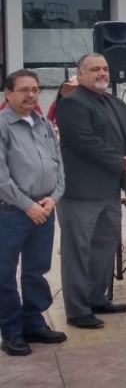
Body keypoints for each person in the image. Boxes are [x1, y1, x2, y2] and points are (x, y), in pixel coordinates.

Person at [56, 53, 126, 329]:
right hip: (80, 193)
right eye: (95, 69)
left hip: (109, 191)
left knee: (105, 248)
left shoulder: (116, 103)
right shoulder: (71, 104)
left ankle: (97, 298)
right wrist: (122, 163)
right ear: (80, 74)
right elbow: (86, 143)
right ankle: (77, 310)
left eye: (105, 68)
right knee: (78, 252)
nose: (102, 73)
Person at [0, 70, 66, 357]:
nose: (31, 95)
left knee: (36, 271)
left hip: (45, 209)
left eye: (35, 89)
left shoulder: (43, 123)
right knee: (4, 274)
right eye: (24, 90)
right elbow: (1, 178)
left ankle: (34, 322)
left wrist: (52, 199)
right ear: (7, 93)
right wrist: (28, 206)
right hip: (12, 213)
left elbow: (59, 166)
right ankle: (12, 332)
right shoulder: (2, 125)